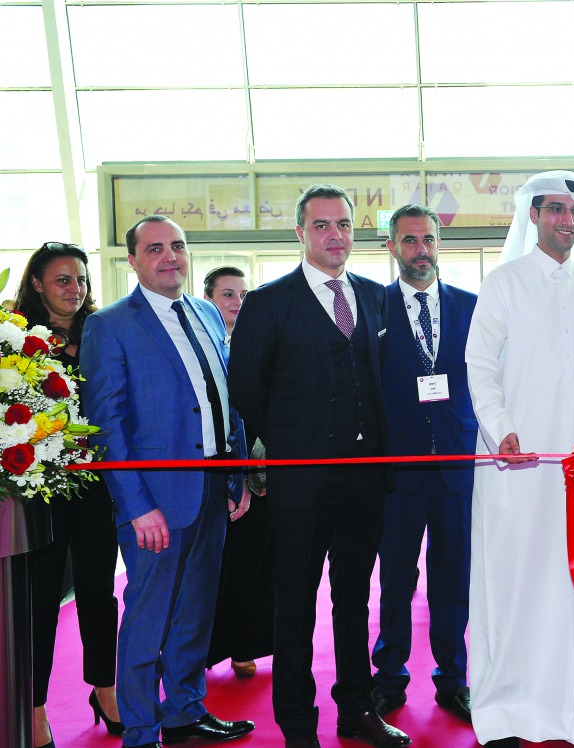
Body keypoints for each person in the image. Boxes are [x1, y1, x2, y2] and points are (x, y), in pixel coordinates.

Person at [228, 185, 409, 748]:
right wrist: (289, 443)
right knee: (295, 607)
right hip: (300, 480)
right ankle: (298, 724)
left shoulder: (379, 297)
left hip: (365, 480)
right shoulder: (268, 302)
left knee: (354, 599)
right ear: (301, 233)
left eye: (345, 225)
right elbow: (245, 389)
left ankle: (356, 709)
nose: (336, 236)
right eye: (323, 225)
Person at [465, 170, 574, 747]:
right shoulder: (505, 283)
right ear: (532, 215)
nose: (568, 220)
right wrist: (501, 429)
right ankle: (509, 712)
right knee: (517, 587)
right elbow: (479, 365)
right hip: (518, 470)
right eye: (555, 209)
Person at [81, 215, 255, 748]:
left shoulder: (205, 312)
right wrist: (136, 506)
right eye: (154, 248)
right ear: (132, 260)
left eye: (177, 246)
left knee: (196, 611)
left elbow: (228, 398)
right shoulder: (110, 325)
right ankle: (137, 729)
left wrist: (238, 474)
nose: (169, 257)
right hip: (154, 501)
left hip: (211, 486)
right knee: (148, 617)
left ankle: (184, 713)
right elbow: (104, 425)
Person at [371, 204, 477, 724]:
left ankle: (453, 678)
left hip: (458, 464)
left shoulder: (472, 306)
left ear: (440, 244)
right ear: (391, 246)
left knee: (454, 576)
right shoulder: (373, 308)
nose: (421, 250)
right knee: (395, 576)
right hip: (397, 469)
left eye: (428, 240)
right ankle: (389, 677)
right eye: (409, 241)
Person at [19, 243, 121, 748]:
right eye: (62, 280)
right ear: (37, 284)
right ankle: (33, 708)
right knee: (39, 603)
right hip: (40, 493)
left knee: (100, 593)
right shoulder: (15, 342)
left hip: (98, 487)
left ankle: (106, 689)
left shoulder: (99, 332)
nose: (74, 289)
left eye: (79, 279)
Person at [203, 266, 275, 680]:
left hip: (261, 472)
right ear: (208, 300)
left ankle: (246, 647)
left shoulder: (261, 343)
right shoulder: (202, 346)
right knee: (216, 570)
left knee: (255, 565)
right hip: (217, 474)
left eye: (244, 295)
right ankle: (208, 650)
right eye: (228, 295)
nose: (237, 303)